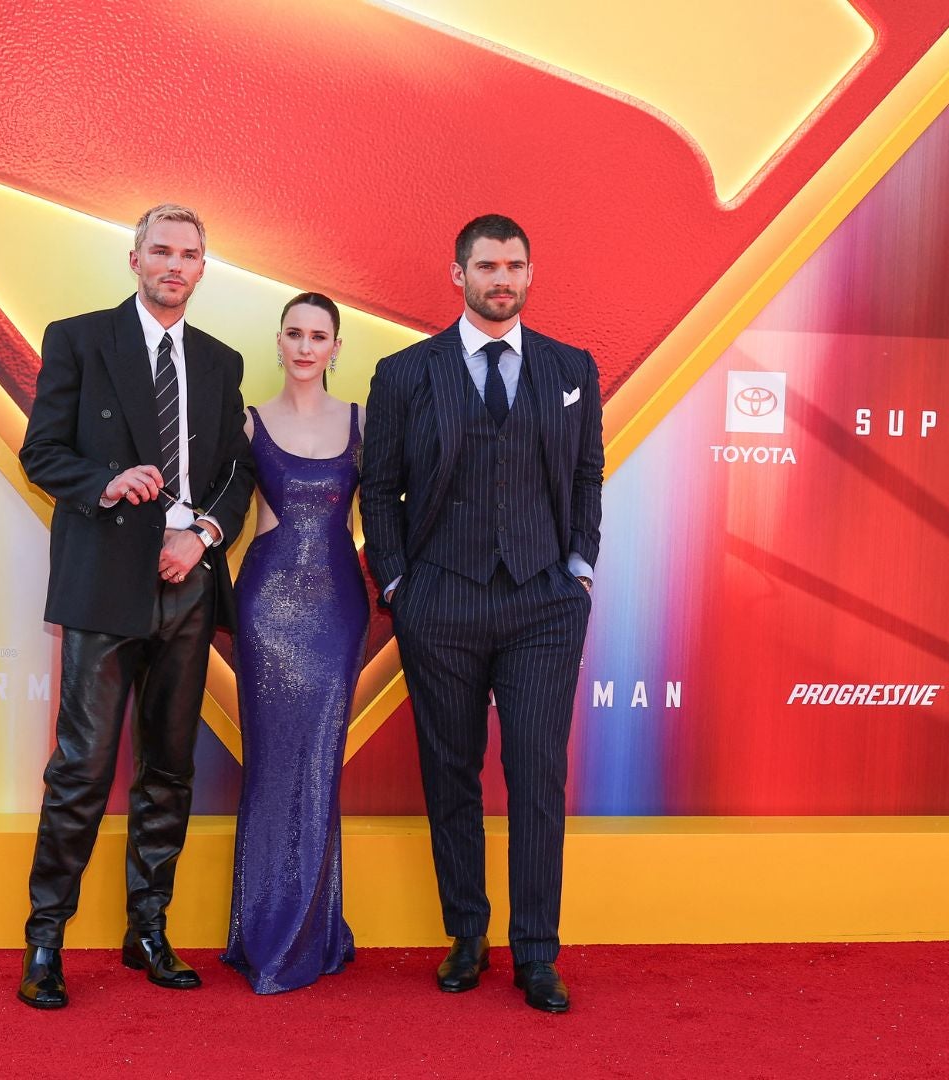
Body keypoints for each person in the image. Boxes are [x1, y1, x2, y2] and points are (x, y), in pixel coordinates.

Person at [14, 203, 256, 1009]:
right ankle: (45, 939)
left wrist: (205, 535)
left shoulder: (222, 362)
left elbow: (235, 473)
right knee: (81, 768)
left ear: (202, 267)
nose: (174, 265)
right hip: (103, 580)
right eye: (161, 250)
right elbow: (42, 451)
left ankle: (148, 929)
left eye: (189, 253)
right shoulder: (78, 339)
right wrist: (106, 483)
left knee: (169, 769)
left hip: (188, 581)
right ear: (134, 258)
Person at [360, 214, 603, 1014]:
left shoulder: (571, 368)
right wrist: (397, 585)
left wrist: (580, 568)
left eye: (516, 265)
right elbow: (379, 489)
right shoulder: (404, 374)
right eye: (487, 265)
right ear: (457, 273)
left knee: (537, 778)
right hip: (441, 599)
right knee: (450, 774)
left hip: (543, 601)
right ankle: (467, 934)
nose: (503, 278)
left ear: (531, 274)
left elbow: (588, 474)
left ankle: (537, 951)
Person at [220, 293, 368, 994]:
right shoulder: (247, 424)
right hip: (266, 612)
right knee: (274, 767)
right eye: (295, 334)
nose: (306, 347)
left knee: (318, 768)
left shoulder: (364, 424)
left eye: (319, 336)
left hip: (338, 611)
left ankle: (314, 930)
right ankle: (265, 933)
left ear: (336, 347)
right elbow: (213, 505)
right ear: (276, 342)